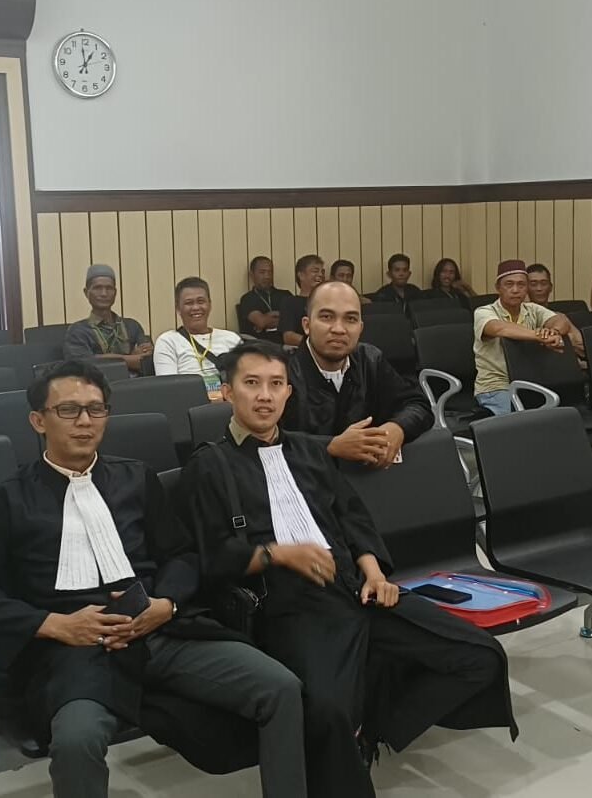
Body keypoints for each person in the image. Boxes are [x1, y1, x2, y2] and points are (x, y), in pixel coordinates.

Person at [178, 342, 517, 798]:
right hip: (289, 605)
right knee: (327, 713)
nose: (265, 395)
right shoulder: (210, 466)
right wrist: (278, 554)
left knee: (479, 656)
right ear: (227, 392)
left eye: (276, 384)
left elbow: (352, 519)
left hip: (356, 588)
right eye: (251, 383)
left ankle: (371, 728)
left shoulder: (310, 450)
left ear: (289, 392)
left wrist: (374, 573)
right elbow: (211, 558)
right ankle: (347, 750)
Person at [0, 360, 308, 798]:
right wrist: (53, 624)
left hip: (158, 629)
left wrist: (166, 604)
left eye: (96, 409)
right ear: (38, 421)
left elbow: (180, 554)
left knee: (281, 688)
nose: (85, 421)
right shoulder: (6, 500)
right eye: (68, 410)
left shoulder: (136, 477)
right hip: (73, 650)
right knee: (77, 740)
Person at [283, 281, 433, 466]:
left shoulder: (370, 359)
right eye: (327, 317)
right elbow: (265, 438)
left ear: (360, 328)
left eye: (350, 319)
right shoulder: (282, 373)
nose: (339, 329)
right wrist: (329, 446)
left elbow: (417, 405)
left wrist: (397, 428)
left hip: (366, 477)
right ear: (307, 325)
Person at [474, 259, 571, 416]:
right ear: (498, 288)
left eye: (521, 285)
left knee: (560, 416)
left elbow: (561, 320)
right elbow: (500, 328)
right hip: (497, 386)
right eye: (509, 284)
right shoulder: (484, 311)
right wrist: (539, 336)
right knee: (517, 424)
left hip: (530, 383)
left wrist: (553, 332)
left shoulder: (532, 309)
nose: (515, 290)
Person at [153, 276, 241, 399]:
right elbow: (169, 390)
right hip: (190, 405)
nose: (195, 307)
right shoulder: (167, 341)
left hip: (231, 404)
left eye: (201, 301)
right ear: (178, 308)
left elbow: (247, 379)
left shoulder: (232, 339)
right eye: (189, 303)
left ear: (209, 304)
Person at [64, 265, 152, 374]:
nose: (104, 293)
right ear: (86, 292)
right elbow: (82, 367)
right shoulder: (78, 331)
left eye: (109, 288)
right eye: (97, 288)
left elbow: (147, 362)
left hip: (136, 383)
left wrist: (103, 358)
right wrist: (130, 358)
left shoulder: (132, 326)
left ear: (115, 292)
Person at [526, 263, 585, 356]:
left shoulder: (559, 317)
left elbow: (582, 347)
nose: (539, 288)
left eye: (543, 283)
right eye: (533, 284)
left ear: (550, 287)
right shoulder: (521, 315)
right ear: (525, 288)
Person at [238, 256, 292, 343]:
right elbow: (261, 322)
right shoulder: (248, 299)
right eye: (262, 272)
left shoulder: (285, 295)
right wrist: (283, 317)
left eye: (270, 272)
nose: (267, 276)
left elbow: (294, 321)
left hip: (287, 343)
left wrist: (270, 316)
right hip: (261, 344)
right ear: (252, 274)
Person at [279, 255, 325, 347]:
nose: (320, 275)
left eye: (322, 272)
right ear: (301, 275)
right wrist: (316, 344)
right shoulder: (290, 302)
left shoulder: (328, 301)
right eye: (315, 271)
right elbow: (288, 337)